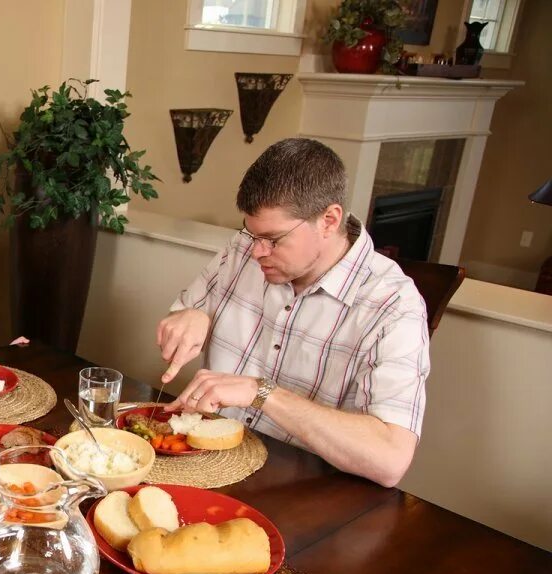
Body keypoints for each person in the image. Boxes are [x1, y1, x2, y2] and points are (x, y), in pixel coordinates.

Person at [157, 138, 430, 487]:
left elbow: (390, 460)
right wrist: (192, 315)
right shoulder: (247, 247)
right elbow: (184, 314)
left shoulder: (392, 304)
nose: (256, 252)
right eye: (250, 233)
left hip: (306, 492)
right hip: (210, 468)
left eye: (273, 239)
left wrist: (263, 393)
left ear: (329, 220)